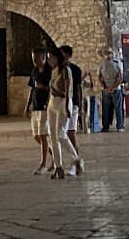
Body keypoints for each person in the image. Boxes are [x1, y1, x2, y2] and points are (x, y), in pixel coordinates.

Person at [45, 50, 74, 179]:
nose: (49, 60)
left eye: (51, 58)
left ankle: (76, 159)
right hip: (52, 103)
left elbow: (68, 90)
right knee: (52, 136)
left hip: (62, 103)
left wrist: (68, 106)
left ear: (57, 58)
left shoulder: (65, 70)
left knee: (61, 134)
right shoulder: (53, 70)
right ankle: (58, 166)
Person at [26, 48, 54, 174]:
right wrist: (27, 106)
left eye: (36, 59)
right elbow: (32, 88)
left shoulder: (49, 71)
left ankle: (43, 164)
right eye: (33, 60)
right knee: (36, 136)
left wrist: (43, 89)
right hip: (36, 107)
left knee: (43, 135)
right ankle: (54, 155)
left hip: (44, 106)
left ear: (43, 58)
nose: (34, 62)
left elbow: (53, 88)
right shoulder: (34, 71)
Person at [60, 44, 84, 172]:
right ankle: (73, 160)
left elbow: (79, 87)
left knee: (70, 132)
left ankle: (76, 161)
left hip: (72, 102)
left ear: (68, 55)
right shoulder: (58, 69)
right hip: (60, 103)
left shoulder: (75, 70)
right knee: (63, 134)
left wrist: (80, 104)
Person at [99, 49, 125, 132]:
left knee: (105, 109)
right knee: (118, 108)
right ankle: (120, 126)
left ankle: (105, 126)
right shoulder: (117, 64)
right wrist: (114, 87)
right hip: (116, 89)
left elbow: (99, 78)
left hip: (106, 90)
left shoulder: (101, 65)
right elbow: (120, 78)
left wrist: (105, 87)